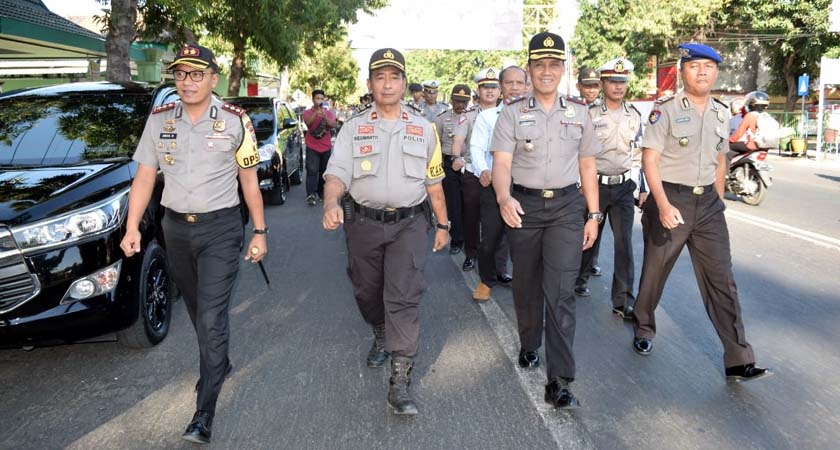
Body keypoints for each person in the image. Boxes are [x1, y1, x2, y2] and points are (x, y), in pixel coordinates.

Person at [120, 44, 267, 444]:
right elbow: (145, 177)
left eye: (196, 74)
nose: (187, 81)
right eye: (181, 74)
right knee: (200, 310)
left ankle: (204, 410)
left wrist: (259, 231)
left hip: (221, 229)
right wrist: (132, 227)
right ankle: (219, 359)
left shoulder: (237, 122)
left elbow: (249, 180)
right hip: (175, 231)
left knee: (211, 318)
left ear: (213, 79)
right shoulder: (160, 120)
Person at [633, 43, 772, 383]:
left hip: (708, 204)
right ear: (683, 71)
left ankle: (738, 357)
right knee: (655, 272)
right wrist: (662, 205)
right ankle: (644, 328)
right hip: (671, 198)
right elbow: (649, 160)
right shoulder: (663, 110)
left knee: (722, 279)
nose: (703, 73)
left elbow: (721, 157)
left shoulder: (722, 111)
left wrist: (718, 198)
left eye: (709, 67)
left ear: (715, 72)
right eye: (696, 66)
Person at [322, 48, 449, 416]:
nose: (388, 83)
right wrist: (332, 203)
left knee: (404, 296)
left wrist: (442, 224)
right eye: (380, 77)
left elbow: (434, 183)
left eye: (394, 77)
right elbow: (336, 174)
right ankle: (379, 329)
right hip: (362, 224)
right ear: (370, 84)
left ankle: (400, 381)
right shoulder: (353, 127)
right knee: (366, 291)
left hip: (409, 225)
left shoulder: (424, 129)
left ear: (405, 84)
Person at [491, 32, 602, 409]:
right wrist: (504, 196)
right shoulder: (512, 112)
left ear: (563, 69)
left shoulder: (580, 114)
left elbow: (588, 166)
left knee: (561, 292)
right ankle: (528, 341)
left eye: (555, 65)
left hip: (567, 209)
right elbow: (502, 163)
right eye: (540, 65)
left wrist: (593, 214)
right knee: (526, 285)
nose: (547, 72)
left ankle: (559, 381)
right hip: (524, 206)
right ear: (530, 69)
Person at [574, 58, 642, 321]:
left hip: (623, 187)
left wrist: (641, 188)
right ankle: (578, 279)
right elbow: (578, 154)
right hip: (595, 187)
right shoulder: (589, 114)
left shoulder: (634, 115)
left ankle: (623, 300)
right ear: (602, 83)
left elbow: (638, 153)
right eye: (613, 81)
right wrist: (580, 187)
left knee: (624, 245)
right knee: (588, 238)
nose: (618, 86)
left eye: (622, 81)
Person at [468, 66, 527, 301]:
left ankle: (520, 282)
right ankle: (486, 280)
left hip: (526, 186)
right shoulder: (488, 116)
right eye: (509, 83)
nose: (514, 87)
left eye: (519, 83)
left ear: (526, 85)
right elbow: (476, 147)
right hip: (494, 184)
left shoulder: (536, 114)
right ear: (501, 87)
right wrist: (482, 169)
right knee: (491, 237)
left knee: (522, 239)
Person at [451, 68, 503, 272]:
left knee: (500, 221)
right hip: (474, 173)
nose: (490, 91)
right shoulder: (468, 115)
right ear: (478, 90)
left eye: (494, 87)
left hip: (502, 173)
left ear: (500, 90)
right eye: (485, 87)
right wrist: (456, 157)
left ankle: (498, 264)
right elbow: (458, 140)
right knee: (472, 216)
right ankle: (471, 254)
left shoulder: (509, 112)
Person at [434, 84, 471, 256]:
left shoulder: (473, 117)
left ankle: (470, 239)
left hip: (469, 165)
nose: (460, 105)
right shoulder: (442, 119)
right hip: (449, 165)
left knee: (469, 204)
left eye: (464, 101)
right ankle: (457, 239)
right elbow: (436, 145)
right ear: (451, 100)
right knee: (454, 204)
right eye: (457, 101)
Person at [575, 66, 604, 277]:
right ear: (579, 86)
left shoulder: (605, 110)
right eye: (587, 86)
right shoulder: (572, 109)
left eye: (595, 86)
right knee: (575, 222)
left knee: (595, 221)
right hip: (575, 177)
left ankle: (590, 260)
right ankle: (575, 262)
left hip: (599, 175)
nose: (591, 90)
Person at [302, 89, 338, 205]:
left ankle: (321, 193)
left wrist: (324, 116)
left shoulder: (328, 112)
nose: (319, 101)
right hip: (312, 146)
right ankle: (311, 195)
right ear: (313, 100)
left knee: (324, 171)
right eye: (317, 98)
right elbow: (308, 123)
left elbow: (333, 125)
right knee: (312, 171)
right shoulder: (308, 112)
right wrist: (316, 113)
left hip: (326, 147)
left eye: (321, 99)